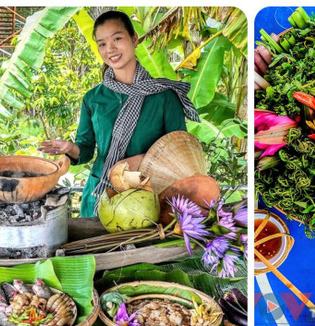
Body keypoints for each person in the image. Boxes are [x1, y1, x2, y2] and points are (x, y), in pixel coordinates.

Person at [38, 10, 199, 217]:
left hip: (146, 200)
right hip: (99, 195)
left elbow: (179, 154)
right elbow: (86, 150)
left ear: (133, 39)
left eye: (117, 38)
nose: (110, 49)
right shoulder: (93, 99)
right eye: (102, 43)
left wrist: (141, 160)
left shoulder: (165, 97)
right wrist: (71, 147)